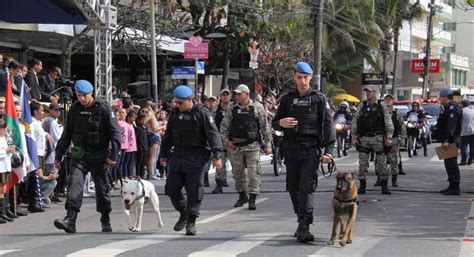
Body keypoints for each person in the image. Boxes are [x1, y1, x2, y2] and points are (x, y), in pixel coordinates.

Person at [272, 61, 335, 243]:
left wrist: (329, 152)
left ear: (310, 78)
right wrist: (281, 123)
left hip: (310, 150)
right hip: (290, 150)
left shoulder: (319, 99)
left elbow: (328, 126)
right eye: (299, 77)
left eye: (305, 77)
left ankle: (304, 226)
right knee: (293, 188)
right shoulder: (287, 98)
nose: (302, 81)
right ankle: (301, 220)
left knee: (306, 188)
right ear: (294, 77)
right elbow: (275, 122)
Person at [53, 80, 121, 233]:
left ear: (91, 94)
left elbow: (115, 133)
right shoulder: (74, 109)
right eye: (79, 96)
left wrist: (113, 154)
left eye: (84, 96)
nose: (82, 99)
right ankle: (70, 219)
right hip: (80, 155)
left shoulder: (103, 108)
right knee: (74, 185)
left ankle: (105, 218)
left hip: (100, 155)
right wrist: (59, 155)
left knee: (102, 190)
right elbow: (67, 133)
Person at [159, 85, 223, 236]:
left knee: (194, 190)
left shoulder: (202, 113)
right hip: (178, 156)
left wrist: (217, 155)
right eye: (176, 102)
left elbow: (213, 134)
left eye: (180, 103)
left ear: (190, 100)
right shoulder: (174, 113)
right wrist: (164, 153)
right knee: (171, 188)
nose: (177, 105)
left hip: (196, 157)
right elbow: (168, 135)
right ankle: (184, 212)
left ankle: (191, 221)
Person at [220, 84, 272, 210]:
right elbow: (224, 127)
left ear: (247, 94)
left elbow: (265, 126)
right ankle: (242, 196)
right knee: (238, 173)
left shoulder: (257, 107)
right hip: (236, 147)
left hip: (252, 146)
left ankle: (252, 198)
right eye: (236, 94)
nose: (236, 96)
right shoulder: (232, 108)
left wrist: (268, 145)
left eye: (239, 94)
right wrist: (226, 142)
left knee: (253, 173)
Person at [351, 84, 394, 195]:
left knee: (381, 163)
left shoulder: (382, 106)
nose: (367, 93)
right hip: (364, 138)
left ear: (375, 93)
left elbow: (388, 122)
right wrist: (354, 137)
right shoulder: (362, 106)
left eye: (370, 91)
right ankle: (362, 186)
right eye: (366, 91)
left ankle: (384, 185)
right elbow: (355, 121)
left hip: (378, 138)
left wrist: (389, 137)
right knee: (363, 164)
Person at [437, 88, 462, 195]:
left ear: (445, 97)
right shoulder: (447, 108)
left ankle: (455, 187)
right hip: (450, 140)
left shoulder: (451, 109)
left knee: (451, 164)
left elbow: (451, 126)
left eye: (440, 97)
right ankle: (452, 185)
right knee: (449, 164)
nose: (439, 99)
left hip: (451, 141)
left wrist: (447, 140)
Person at [212, 88, 232, 194]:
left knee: (238, 164)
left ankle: (242, 187)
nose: (225, 96)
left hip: (232, 140)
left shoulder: (234, 108)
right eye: (223, 95)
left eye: (227, 94)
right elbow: (212, 124)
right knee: (220, 162)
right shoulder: (216, 109)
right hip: (220, 140)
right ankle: (219, 183)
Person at [383, 94, 406, 187]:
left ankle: (394, 179)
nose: (388, 101)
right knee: (380, 160)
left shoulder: (397, 113)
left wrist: (403, 138)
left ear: (393, 101)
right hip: (382, 139)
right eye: (386, 99)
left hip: (394, 139)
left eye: (390, 99)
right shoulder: (381, 112)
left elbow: (402, 126)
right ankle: (380, 179)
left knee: (394, 160)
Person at [459, 100, 473, 166]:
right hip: (473, 131)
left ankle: (463, 161)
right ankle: (471, 160)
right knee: (473, 147)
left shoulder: (461, 111)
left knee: (463, 147)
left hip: (464, 132)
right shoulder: (473, 111)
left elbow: (459, 121)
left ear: (462, 104)